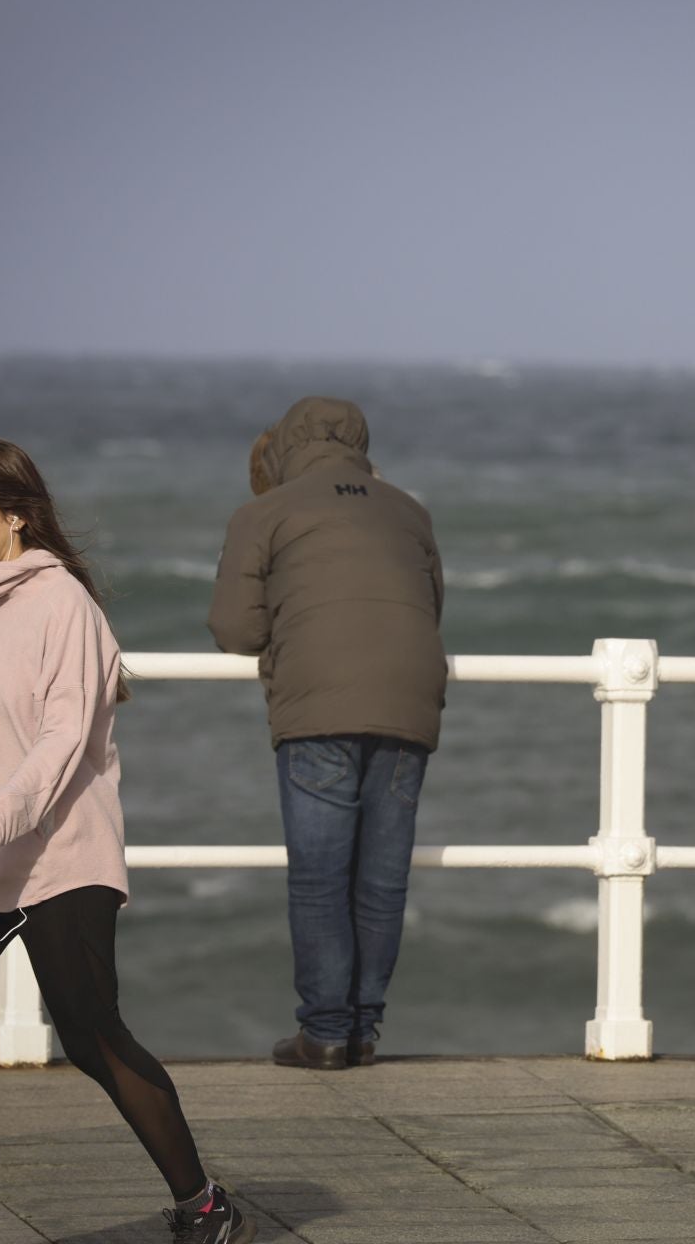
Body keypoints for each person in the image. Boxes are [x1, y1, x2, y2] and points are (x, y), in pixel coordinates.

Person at [0, 437, 249, 1244]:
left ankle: (204, 1205)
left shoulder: (64, 605)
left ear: (18, 516)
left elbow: (61, 742)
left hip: (59, 858)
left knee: (94, 1036)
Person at [209, 397, 445, 1070]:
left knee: (319, 879)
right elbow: (432, 605)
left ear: (285, 445)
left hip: (318, 705)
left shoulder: (263, 513)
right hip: (408, 698)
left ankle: (325, 1032)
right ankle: (364, 1029)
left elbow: (235, 629)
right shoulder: (409, 510)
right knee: (382, 879)